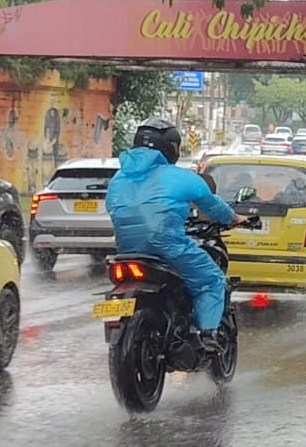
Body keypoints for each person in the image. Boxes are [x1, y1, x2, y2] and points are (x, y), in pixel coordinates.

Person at [106, 118, 248, 351]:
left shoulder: (118, 179)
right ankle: (208, 333)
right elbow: (213, 206)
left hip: (127, 250)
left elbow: (113, 208)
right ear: (171, 147)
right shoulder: (181, 177)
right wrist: (235, 219)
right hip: (168, 247)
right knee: (212, 280)